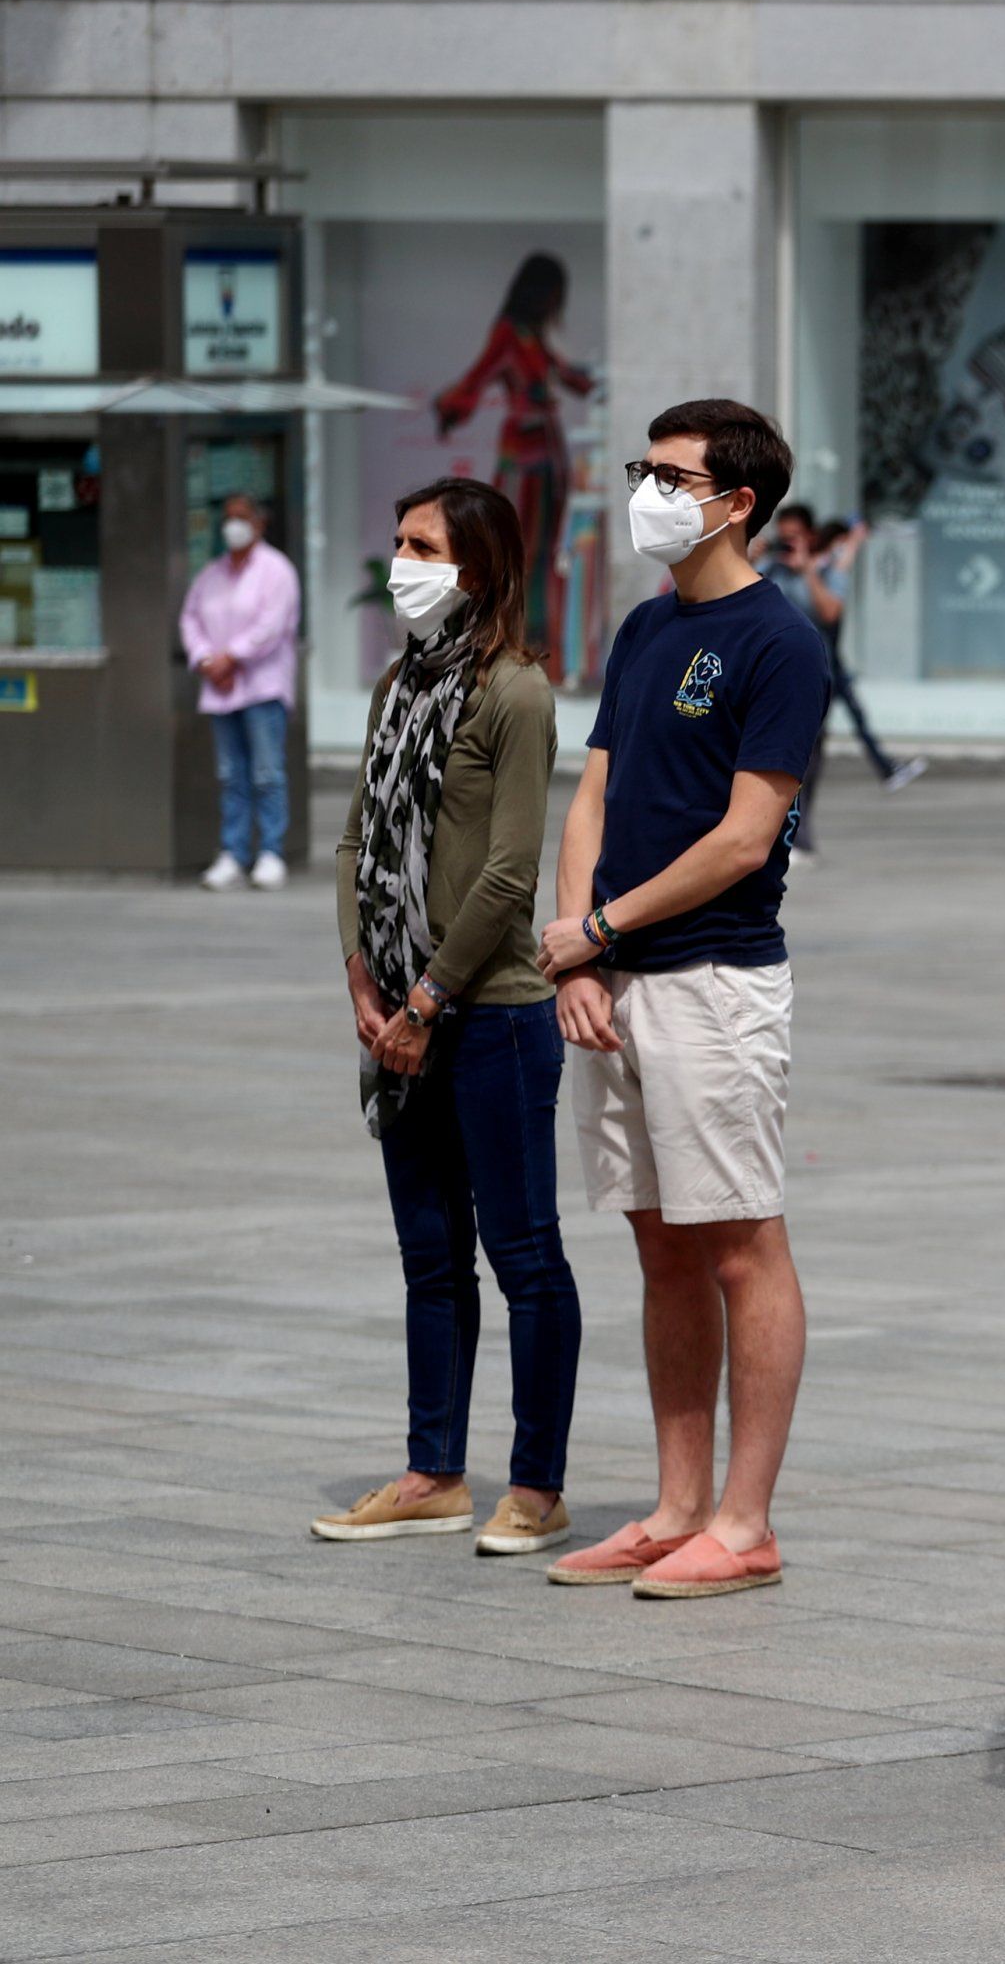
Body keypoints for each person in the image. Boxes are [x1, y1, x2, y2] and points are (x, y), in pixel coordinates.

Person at [535, 400, 830, 1600]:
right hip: (617, 982)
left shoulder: (779, 642)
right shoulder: (648, 629)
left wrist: (601, 926)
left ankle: (745, 1521)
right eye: (643, 468)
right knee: (660, 1249)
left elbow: (746, 838)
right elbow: (591, 798)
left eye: (672, 475)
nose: (649, 491)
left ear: (737, 502)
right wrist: (580, 960)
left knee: (742, 1245)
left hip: (713, 982)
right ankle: (674, 1506)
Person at [313, 478, 583, 1557]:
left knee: (525, 1256)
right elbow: (352, 845)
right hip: (399, 1016)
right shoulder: (395, 689)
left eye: (419, 544)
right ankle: (433, 1470)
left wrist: (428, 998)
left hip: (493, 1015)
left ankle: (539, 1482)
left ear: (475, 567)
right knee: (430, 1257)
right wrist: (364, 980)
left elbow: (512, 873)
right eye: (395, 538)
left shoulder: (515, 694)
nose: (399, 561)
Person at [435, 252, 595, 676]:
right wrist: (450, 407)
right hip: (522, 460)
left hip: (548, 458)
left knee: (541, 555)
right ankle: (508, 644)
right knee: (514, 552)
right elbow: (477, 377)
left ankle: (538, 649)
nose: (553, 303)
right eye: (551, 293)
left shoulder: (533, 335)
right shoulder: (509, 333)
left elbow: (569, 377)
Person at [759, 503, 924, 858]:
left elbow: (831, 612)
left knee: (806, 762)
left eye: (794, 538)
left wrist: (807, 571)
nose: (787, 544)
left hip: (815, 681)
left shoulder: (826, 569)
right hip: (769, 681)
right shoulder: (768, 568)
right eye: (782, 537)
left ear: (810, 538)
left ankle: (797, 835)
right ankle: (769, 833)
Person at [183, 494, 302, 892]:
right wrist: (205, 660)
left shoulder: (277, 571)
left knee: (267, 772)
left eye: (241, 517)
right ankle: (233, 853)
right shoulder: (211, 574)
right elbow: (191, 617)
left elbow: (271, 626)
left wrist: (231, 658)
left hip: (262, 687)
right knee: (231, 774)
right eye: (228, 518)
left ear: (259, 523)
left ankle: (270, 852)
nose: (233, 525)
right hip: (221, 689)